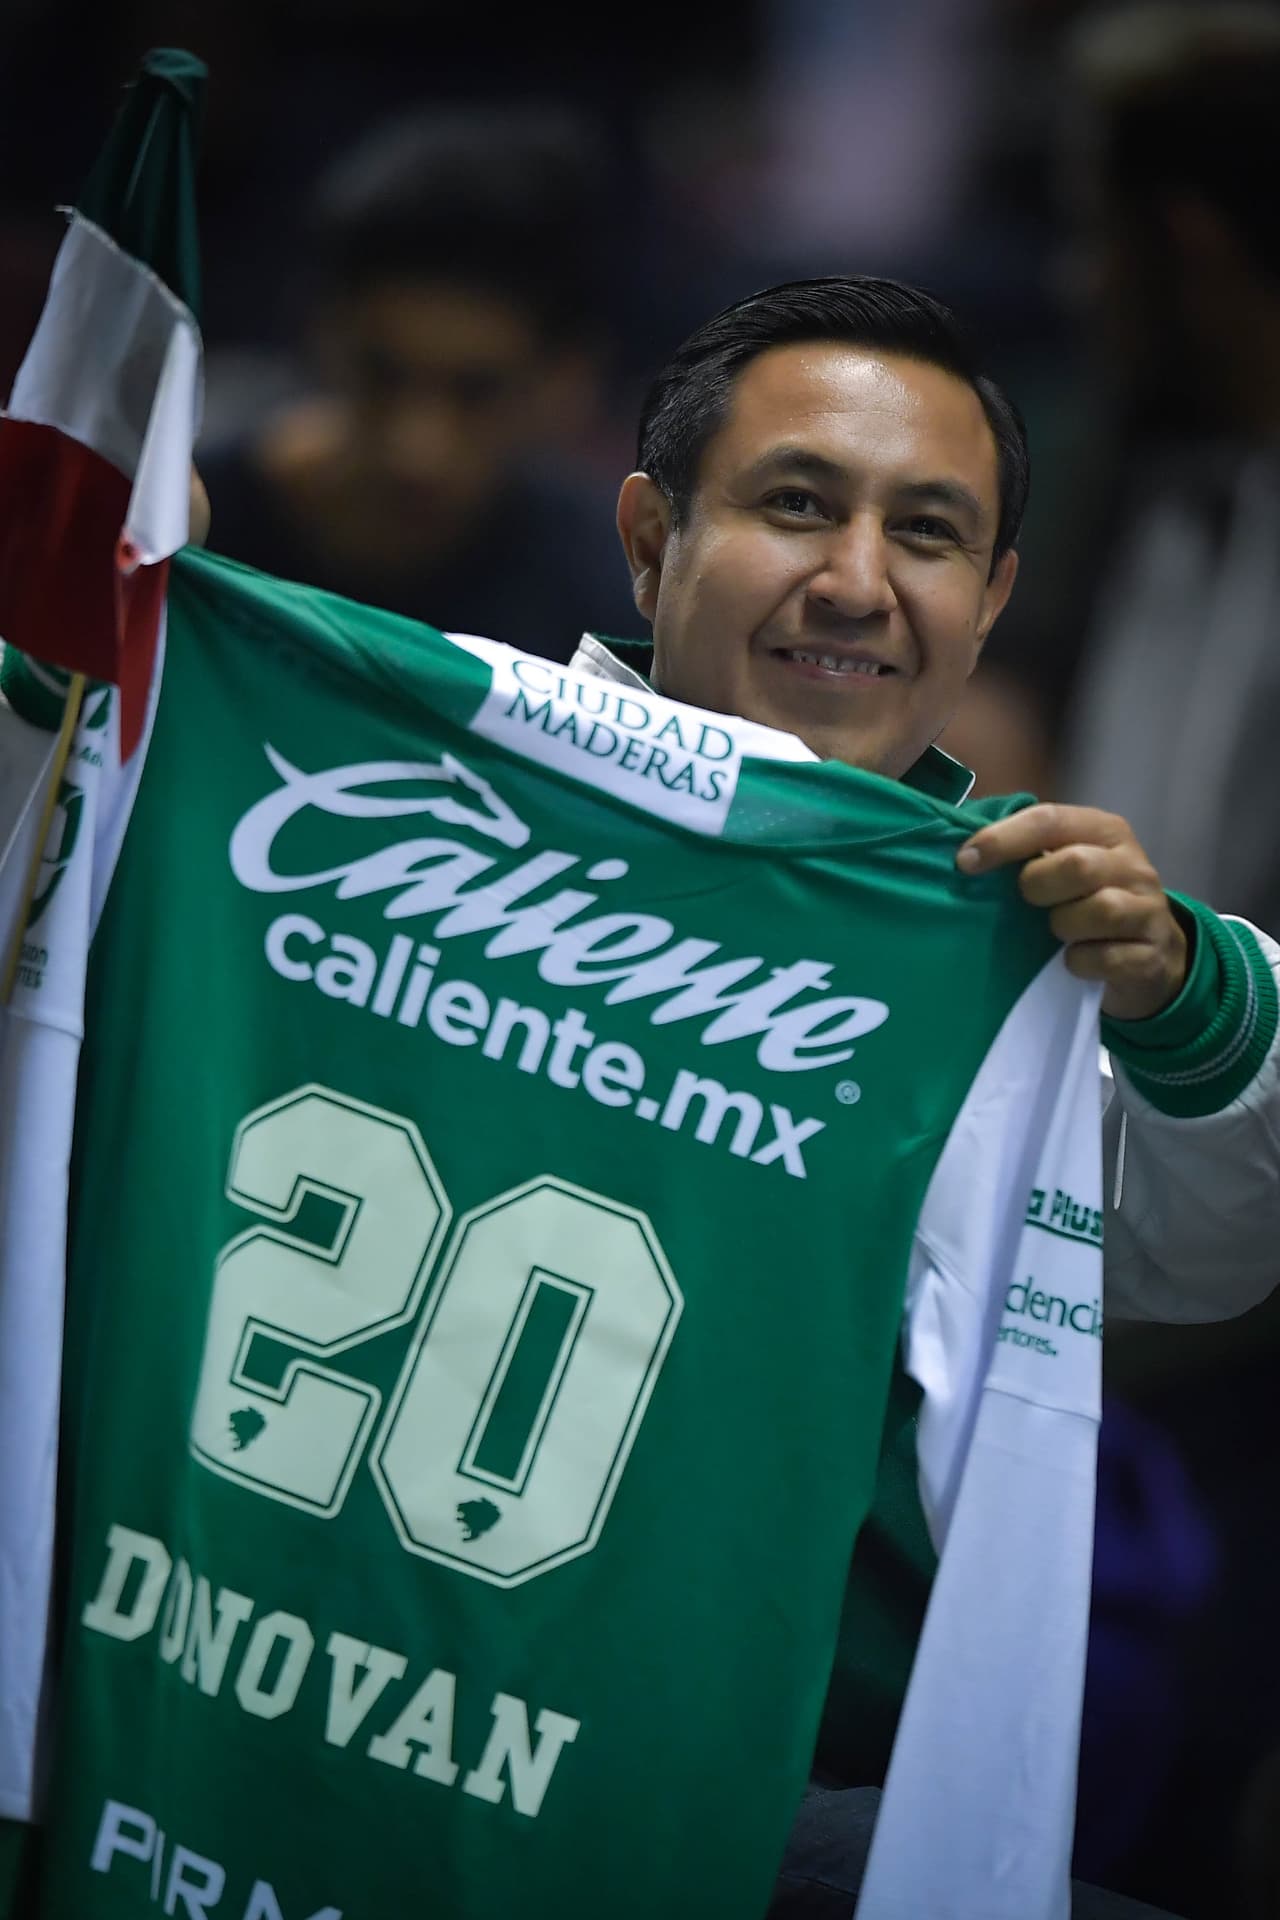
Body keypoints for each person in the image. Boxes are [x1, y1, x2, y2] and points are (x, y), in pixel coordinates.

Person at [551, 273, 1279, 1917]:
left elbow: (1212, 1242)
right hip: (325, 1708)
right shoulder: (407, 797)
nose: (859, 583)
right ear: (650, 537)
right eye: (798, 504)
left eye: (929, 534)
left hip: (789, 1803)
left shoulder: (1030, 943)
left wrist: (1180, 993)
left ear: (995, 595)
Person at [196, 106, 640, 659]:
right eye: (382, 375)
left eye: (477, 392)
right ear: (320, 331)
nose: (417, 448)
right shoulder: (179, 530)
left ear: (567, 380)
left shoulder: (609, 609)